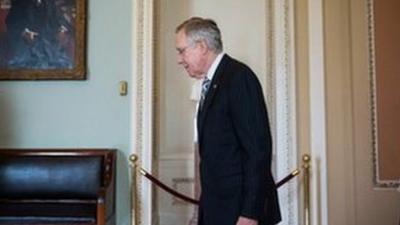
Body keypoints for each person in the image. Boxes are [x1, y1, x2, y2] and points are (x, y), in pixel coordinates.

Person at [175, 17, 281, 225]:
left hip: (240, 212)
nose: (179, 59)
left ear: (202, 46)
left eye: (182, 50)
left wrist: (250, 212)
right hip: (218, 207)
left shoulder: (239, 77)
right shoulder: (211, 82)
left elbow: (257, 150)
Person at [5, 0, 72, 69]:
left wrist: (62, 29)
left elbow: (60, 19)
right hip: (28, 46)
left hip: (49, 45)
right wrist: (24, 32)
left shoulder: (49, 2)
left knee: (64, 65)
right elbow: (11, 21)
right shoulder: (19, 2)